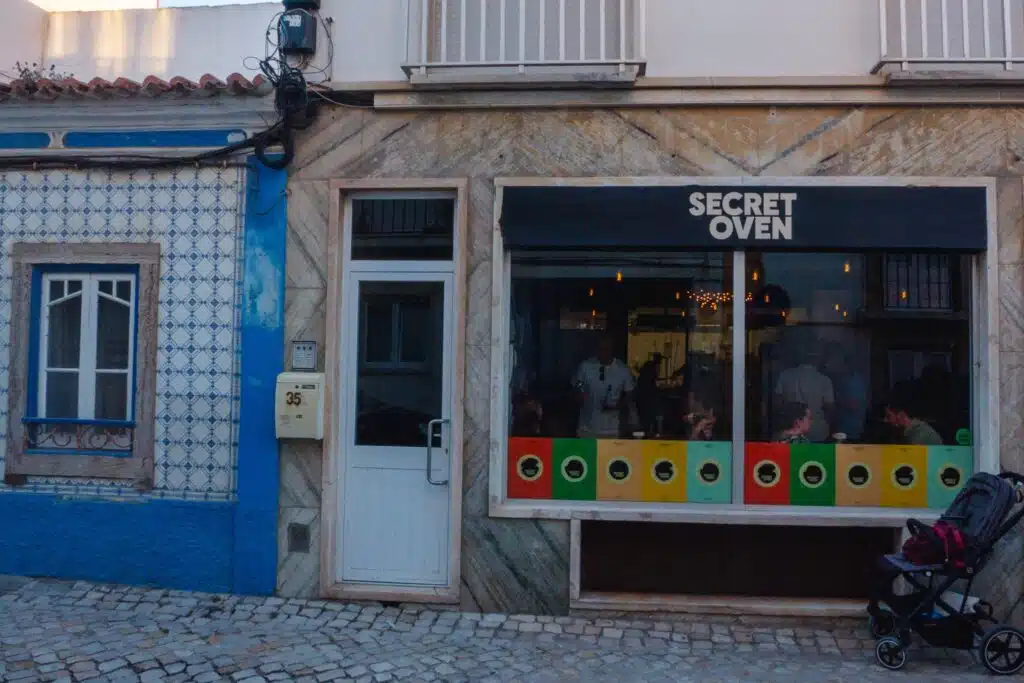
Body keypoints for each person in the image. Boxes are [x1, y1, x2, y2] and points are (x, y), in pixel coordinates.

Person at [573, 335, 636, 438]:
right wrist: (579, 395)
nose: (603, 353)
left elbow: (629, 394)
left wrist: (619, 405)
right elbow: (577, 386)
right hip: (587, 428)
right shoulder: (585, 366)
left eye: (606, 349)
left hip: (612, 429)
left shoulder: (623, 370)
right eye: (600, 349)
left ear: (613, 350)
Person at [773, 343, 834, 442]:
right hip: (818, 431)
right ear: (817, 359)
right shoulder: (824, 380)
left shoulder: (784, 375)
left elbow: (777, 404)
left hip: (791, 429)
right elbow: (830, 408)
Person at [823, 342, 868, 442]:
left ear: (839, 359)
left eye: (830, 358)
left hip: (850, 433)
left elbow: (854, 404)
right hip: (838, 431)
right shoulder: (838, 378)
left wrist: (831, 401)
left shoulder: (854, 380)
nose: (827, 362)